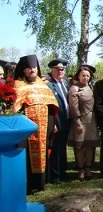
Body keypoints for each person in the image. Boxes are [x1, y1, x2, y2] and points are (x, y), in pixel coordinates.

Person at [12, 54, 59, 194]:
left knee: (42, 152)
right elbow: (14, 107)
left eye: (33, 67)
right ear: (23, 70)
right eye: (28, 68)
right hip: (25, 129)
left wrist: (53, 124)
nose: (32, 70)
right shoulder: (18, 85)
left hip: (44, 126)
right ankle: (27, 184)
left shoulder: (42, 85)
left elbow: (52, 106)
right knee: (27, 155)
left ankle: (40, 182)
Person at [68, 66, 100, 181]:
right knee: (79, 146)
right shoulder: (74, 88)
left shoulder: (91, 87)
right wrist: (77, 122)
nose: (85, 78)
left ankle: (88, 168)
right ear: (78, 76)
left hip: (91, 121)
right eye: (83, 75)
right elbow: (73, 107)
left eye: (87, 75)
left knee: (90, 145)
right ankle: (81, 169)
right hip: (80, 121)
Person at [45, 58, 70, 184]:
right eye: (58, 69)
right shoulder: (48, 85)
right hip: (56, 121)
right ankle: (55, 176)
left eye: (62, 69)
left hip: (66, 120)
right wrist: (52, 123)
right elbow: (49, 107)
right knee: (55, 150)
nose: (61, 71)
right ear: (52, 70)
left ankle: (62, 171)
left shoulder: (65, 83)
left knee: (62, 148)